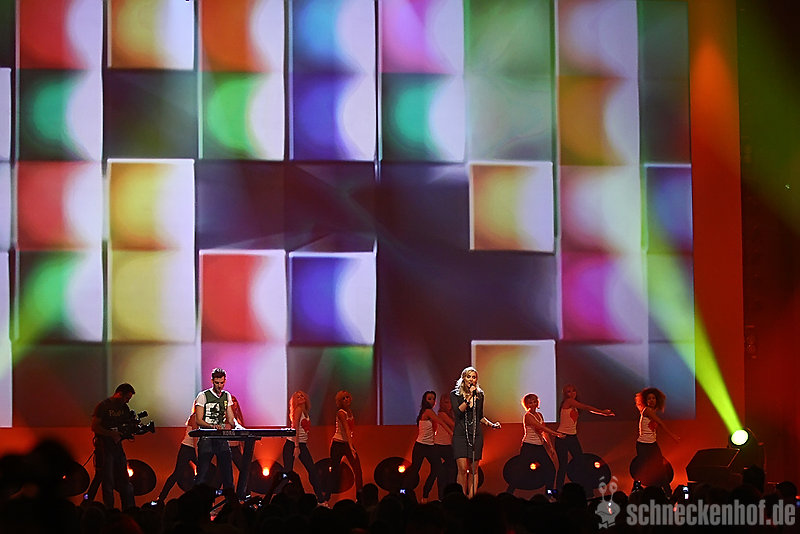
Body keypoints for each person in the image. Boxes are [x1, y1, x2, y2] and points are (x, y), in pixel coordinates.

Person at [450, 367, 501, 498]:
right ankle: (461, 498)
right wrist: (468, 398)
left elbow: (480, 416)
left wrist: (492, 424)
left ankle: (472, 498)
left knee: (474, 469)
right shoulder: (455, 394)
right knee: (462, 469)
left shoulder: (479, 395)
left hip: (475, 435)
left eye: (474, 377)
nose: (471, 380)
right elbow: (458, 412)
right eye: (469, 377)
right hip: (460, 435)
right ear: (463, 378)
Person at [554, 384, 615, 490]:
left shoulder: (574, 404)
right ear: (565, 394)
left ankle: (584, 488)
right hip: (562, 437)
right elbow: (586, 407)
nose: (572, 393)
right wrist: (602, 412)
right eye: (569, 391)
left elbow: (586, 409)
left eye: (573, 391)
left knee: (580, 462)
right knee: (563, 465)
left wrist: (602, 413)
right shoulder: (568, 401)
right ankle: (559, 490)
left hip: (572, 437)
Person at [507, 393, 565, 495]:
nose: (533, 404)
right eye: (530, 402)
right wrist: (557, 434)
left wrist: (550, 447)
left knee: (551, 470)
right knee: (521, 472)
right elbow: (541, 427)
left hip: (539, 447)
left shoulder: (540, 415)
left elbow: (544, 432)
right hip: (528, 446)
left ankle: (549, 494)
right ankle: (508, 493)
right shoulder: (528, 416)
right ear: (527, 405)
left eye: (534, 401)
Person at [90, 383, 136, 509]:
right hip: (104, 447)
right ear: (119, 394)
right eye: (126, 398)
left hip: (117, 447)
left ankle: (128, 509)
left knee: (124, 480)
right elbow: (95, 427)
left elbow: (126, 424)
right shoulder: (103, 406)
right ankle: (109, 510)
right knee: (107, 481)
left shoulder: (124, 408)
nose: (127, 401)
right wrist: (112, 434)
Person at [403, 391, 453, 501]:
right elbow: (441, 422)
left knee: (438, 471)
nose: (432, 401)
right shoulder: (428, 411)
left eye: (433, 399)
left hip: (430, 447)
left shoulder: (430, 412)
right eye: (429, 399)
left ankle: (426, 496)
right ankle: (404, 493)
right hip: (421, 446)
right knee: (414, 471)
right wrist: (451, 432)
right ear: (425, 400)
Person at [194, 368, 237, 495]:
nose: (219, 386)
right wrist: (213, 426)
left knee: (227, 473)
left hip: (221, 438)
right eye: (217, 383)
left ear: (225, 381)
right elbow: (198, 420)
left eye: (222, 383)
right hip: (207, 438)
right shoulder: (203, 396)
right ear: (212, 381)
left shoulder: (226, 396)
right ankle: (197, 500)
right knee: (203, 473)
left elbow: (231, 418)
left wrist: (236, 425)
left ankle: (231, 501)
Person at [282, 390, 325, 502]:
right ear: (295, 401)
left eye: (302, 396)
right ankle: (280, 498)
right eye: (298, 397)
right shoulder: (298, 410)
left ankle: (321, 499)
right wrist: (296, 447)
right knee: (287, 472)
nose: (301, 397)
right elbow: (295, 429)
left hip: (301, 444)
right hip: (292, 444)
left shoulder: (305, 411)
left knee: (312, 470)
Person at [633, 387, 679, 489]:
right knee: (645, 469)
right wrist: (672, 436)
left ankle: (665, 491)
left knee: (660, 468)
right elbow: (661, 423)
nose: (651, 400)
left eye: (653, 398)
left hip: (652, 444)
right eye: (649, 398)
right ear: (645, 401)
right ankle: (637, 491)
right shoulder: (647, 410)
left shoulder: (652, 411)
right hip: (643, 445)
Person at [326, 390, 363, 501]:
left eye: (347, 397)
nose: (346, 399)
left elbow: (350, 431)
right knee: (334, 472)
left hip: (347, 443)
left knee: (358, 470)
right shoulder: (341, 413)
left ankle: (360, 498)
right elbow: (347, 430)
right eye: (343, 398)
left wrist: (350, 445)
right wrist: (351, 447)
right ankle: (325, 498)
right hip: (338, 444)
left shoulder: (350, 412)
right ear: (340, 401)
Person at [156, 410, 198, 503]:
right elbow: (195, 436)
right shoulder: (195, 417)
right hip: (187, 448)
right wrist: (197, 452)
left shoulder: (202, 417)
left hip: (192, 448)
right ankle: (161, 498)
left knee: (206, 472)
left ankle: (197, 497)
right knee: (177, 473)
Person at [424, 392, 456, 500]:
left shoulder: (451, 414)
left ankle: (449, 496)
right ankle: (437, 497)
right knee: (439, 473)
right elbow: (453, 425)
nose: (449, 405)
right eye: (446, 402)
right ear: (442, 403)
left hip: (447, 446)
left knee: (450, 471)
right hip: (439, 445)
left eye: (450, 402)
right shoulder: (442, 414)